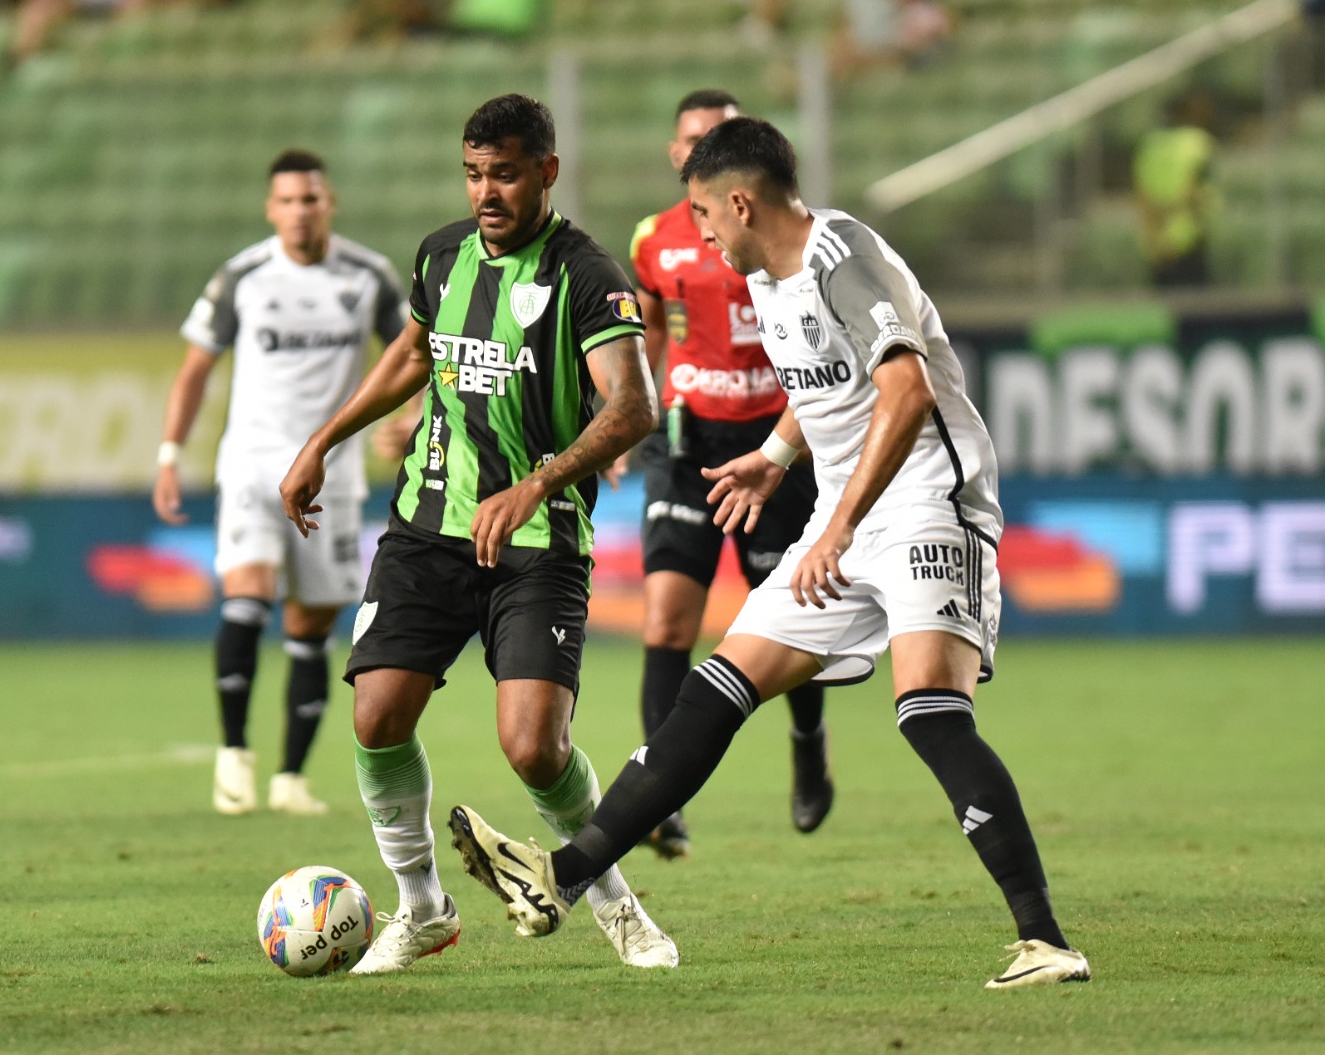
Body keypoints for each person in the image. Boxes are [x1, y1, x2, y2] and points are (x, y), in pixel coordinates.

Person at [449, 116, 1092, 990]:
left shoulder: (843, 258)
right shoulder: (771, 279)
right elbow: (830, 380)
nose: (702, 235)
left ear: (742, 203)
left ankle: (1046, 940)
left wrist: (834, 527)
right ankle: (561, 877)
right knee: (715, 691)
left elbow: (903, 393)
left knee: (930, 711)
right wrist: (778, 455)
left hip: (930, 501)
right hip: (845, 507)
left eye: (707, 217)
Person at [280, 93, 676, 975]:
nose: (485, 191)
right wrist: (324, 438)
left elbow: (634, 405)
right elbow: (414, 356)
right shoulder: (442, 255)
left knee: (535, 745)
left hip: (538, 539)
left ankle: (614, 902)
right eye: (472, 173)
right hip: (428, 526)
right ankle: (421, 906)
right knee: (378, 714)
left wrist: (536, 483)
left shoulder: (586, 274)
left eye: (502, 173)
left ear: (546, 171)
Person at [154, 149, 407, 818]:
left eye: (312, 199)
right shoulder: (243, 276)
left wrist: (409, 419)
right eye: (288, 201)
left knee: (311, 622)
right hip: (254, 462)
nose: (300, 211)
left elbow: (416, 353)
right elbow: (195, 369)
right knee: (248, 592)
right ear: (271, 209)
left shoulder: (368, 275)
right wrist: (169, 452)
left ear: (331, 204)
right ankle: (233, 753)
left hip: (333, 467)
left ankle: (291, 775)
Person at [627, 88, 832, 860]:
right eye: (691, 137)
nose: (701, 145)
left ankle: (809, 739)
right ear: (675, 154)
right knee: (665, 621)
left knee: (791, 626)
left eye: (718, 134)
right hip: (685, 442)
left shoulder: (779, 231)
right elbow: (650, 327)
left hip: (775, 448)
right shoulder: (656, 239)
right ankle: (658, 797)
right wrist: (629, 413)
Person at [1134, 88, 1219, 291]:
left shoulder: (1149, 145)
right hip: (1189, 243)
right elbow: (1194, 192)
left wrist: (1156, 239)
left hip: (1158, 248)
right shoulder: (1198, 143)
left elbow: (1143, 197)